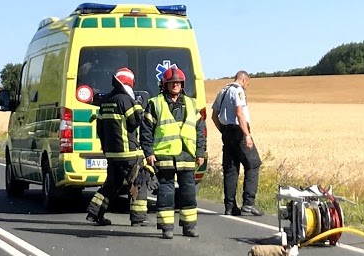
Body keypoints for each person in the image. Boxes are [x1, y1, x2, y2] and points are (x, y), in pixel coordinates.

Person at [140, 65, 206, 238]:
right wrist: (148, 153)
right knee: (166, 192)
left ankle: (189, 226)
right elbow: (146, 130)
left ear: (182, 84)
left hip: (187, 156)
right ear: (165, 84)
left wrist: (200, 153)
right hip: (165, 156)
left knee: (188, 192)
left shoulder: (191, 104)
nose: (175, 85)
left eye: (178, 82)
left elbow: (200, 130)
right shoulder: (155, 103)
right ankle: (166, 227)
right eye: (172, 82)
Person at [85, 68, 146, 225]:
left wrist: (106, 148)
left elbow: (100, 129)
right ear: (129, 83)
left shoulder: (105, 102)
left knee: (112, 184)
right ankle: (138, 219)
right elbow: (135, 121)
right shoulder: (126, 101)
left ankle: (94, 212)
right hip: (128, 153)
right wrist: (139, 105)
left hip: (112, 154)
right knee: (138, 182)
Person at [214, 70, 263, 217]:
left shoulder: (222, 91)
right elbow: (239, 113)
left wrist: (223, 131)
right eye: (247, 83)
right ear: (244, 80)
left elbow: (214, 116)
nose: (247, 86)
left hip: (227, 133)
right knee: (253, 163)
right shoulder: (238, 91)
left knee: (231, 169)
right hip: (239, 132)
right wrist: (247, 135)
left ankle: (230, 206)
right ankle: (248, 203)